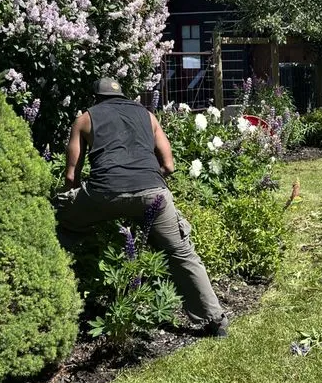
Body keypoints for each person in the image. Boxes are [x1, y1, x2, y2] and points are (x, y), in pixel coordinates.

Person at [55, 78, 228, 337]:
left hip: (103, 194)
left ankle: (61, 289)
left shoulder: (85, 120)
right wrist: (141, 184)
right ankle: (215, 320)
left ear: (96, 98)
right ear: (123, 96)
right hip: (152, 193)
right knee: (181, 252)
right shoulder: (148, 116)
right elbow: (169, 166)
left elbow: (71, 177)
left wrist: (81, 208)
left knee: (61, 224)